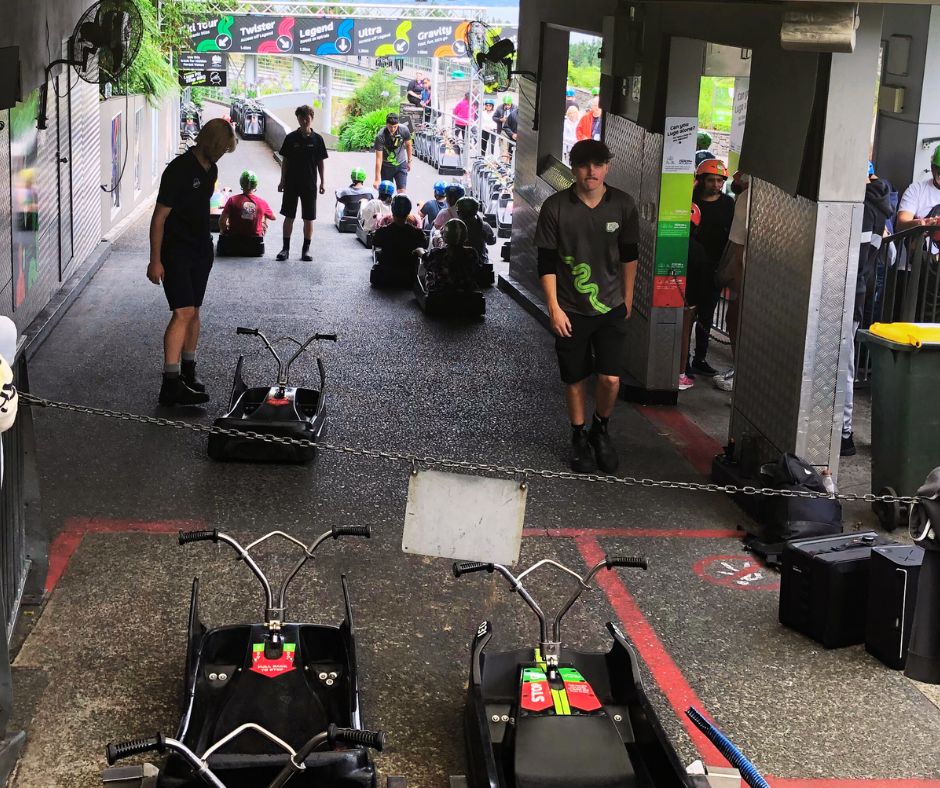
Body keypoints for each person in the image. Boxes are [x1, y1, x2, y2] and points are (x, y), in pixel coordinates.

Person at [533, 139, 639, 474]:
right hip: (570, 307)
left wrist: (628, 297)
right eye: (583, 165)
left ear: (606, 167)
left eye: (597, 165)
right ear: (574, 168)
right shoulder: (556, 207)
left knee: (610, 379)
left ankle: (600, 429)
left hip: (610, 307)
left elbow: (629, 255)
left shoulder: (622, 205)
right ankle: (578, 435)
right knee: (575, 377)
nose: (590, 172)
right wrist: (554, 307)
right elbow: (546, 262)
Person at [148, 118, 236, 406]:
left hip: (201, 250)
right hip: (176, 252)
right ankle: (170, 384)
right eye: (221, 147)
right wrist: (155, 260)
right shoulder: (178, 170)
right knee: (182, 313)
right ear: (209, 143)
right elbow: (159, 217)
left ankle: (188, 371)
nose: (223, 153)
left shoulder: (212, 169)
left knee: (195, 312)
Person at [842, 162, 892, 457]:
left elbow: (854, 259)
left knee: (844, 366)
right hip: (856, 292)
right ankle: (844, 431)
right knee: (844, 364)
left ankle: (845, 433)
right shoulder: (877, 205)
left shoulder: (863, 208)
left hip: (849, 293)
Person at [688, 158, 734, 378]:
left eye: (720, 180)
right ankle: (682, 361)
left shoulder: (728, 205)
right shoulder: (690, 200)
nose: (716, 185)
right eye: (711, 180)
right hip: (691, 266)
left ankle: (700, 359)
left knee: (706, 316)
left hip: (715, 268)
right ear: (701, 180)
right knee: (688, 315)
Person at [713, 170, 750, 392]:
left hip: (751, 278)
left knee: (735, 319)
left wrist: (739, 285)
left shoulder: (746, 200)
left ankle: (741, 371)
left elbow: (738, 252)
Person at [276, 105, 328, 262]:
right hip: (292, 183)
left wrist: (323, 182)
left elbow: (320, 163)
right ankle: (285, 249)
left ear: (312, 118)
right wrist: (282, 180)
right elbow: (285, 161)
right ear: (297, 119)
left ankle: (306, 250)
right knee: (288, 216)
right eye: (301, 118)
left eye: (307, 118)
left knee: (308, 218)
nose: (304, 121)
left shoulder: (318, 139)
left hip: (310, 184)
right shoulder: (291, 138)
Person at [422, 218, 481, 293]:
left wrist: (420, 251)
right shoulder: (472, 252)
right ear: (465, 237)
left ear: (444, 237)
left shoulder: (437, 253)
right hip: (467, 291)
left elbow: (426, 262)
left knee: (428, 272)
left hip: (440, 292)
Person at [372, 195, 427, 274]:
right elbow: (424, 246)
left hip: (386, 273)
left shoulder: (382, 232)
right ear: (409, 211)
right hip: (408, 274)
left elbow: (375, 243)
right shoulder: (418, 234)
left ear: (393, 210)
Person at [897, 145, 940, 231]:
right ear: (932, 168)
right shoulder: (916, 190)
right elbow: (901, 224)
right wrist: (920, 224)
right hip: (923, 242)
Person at [220, 170, 275, 237]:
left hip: (234, 240)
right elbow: (273, 217)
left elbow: (222, 221)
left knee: (227, 219)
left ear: (241, 183)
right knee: (265, 215)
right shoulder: (262, 203)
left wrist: (225, 230)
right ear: (255, 185)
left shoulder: (232, 200)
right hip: (255, 241)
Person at [373, 112, 413, 194]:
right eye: (390, 127)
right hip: (386, 167)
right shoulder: (380, 136)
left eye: (395, 126)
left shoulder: (404, 130)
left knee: (402, 193)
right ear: (386, 124)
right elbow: (378, 159)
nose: (393, 129)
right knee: (386, 193)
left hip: (401, 164)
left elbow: (409, 145)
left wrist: (409, 161)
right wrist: (377, 179)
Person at [455, 197, 495, 263]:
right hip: (479, 262)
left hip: (458, 262)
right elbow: (491, 241)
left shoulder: (454, 225)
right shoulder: (484, 226)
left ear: (459, 212)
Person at [493, 94, 517, 162]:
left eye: (508, 104)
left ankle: (510, 163)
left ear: (511, 103)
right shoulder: (499, 108)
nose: (507, 106)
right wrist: (500, 120)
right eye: (505, 104)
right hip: (503, 131)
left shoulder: (515, 108)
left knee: (511, 149)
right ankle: (503, 163)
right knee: (504, 148)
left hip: (512, 131)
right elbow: (494, 117)